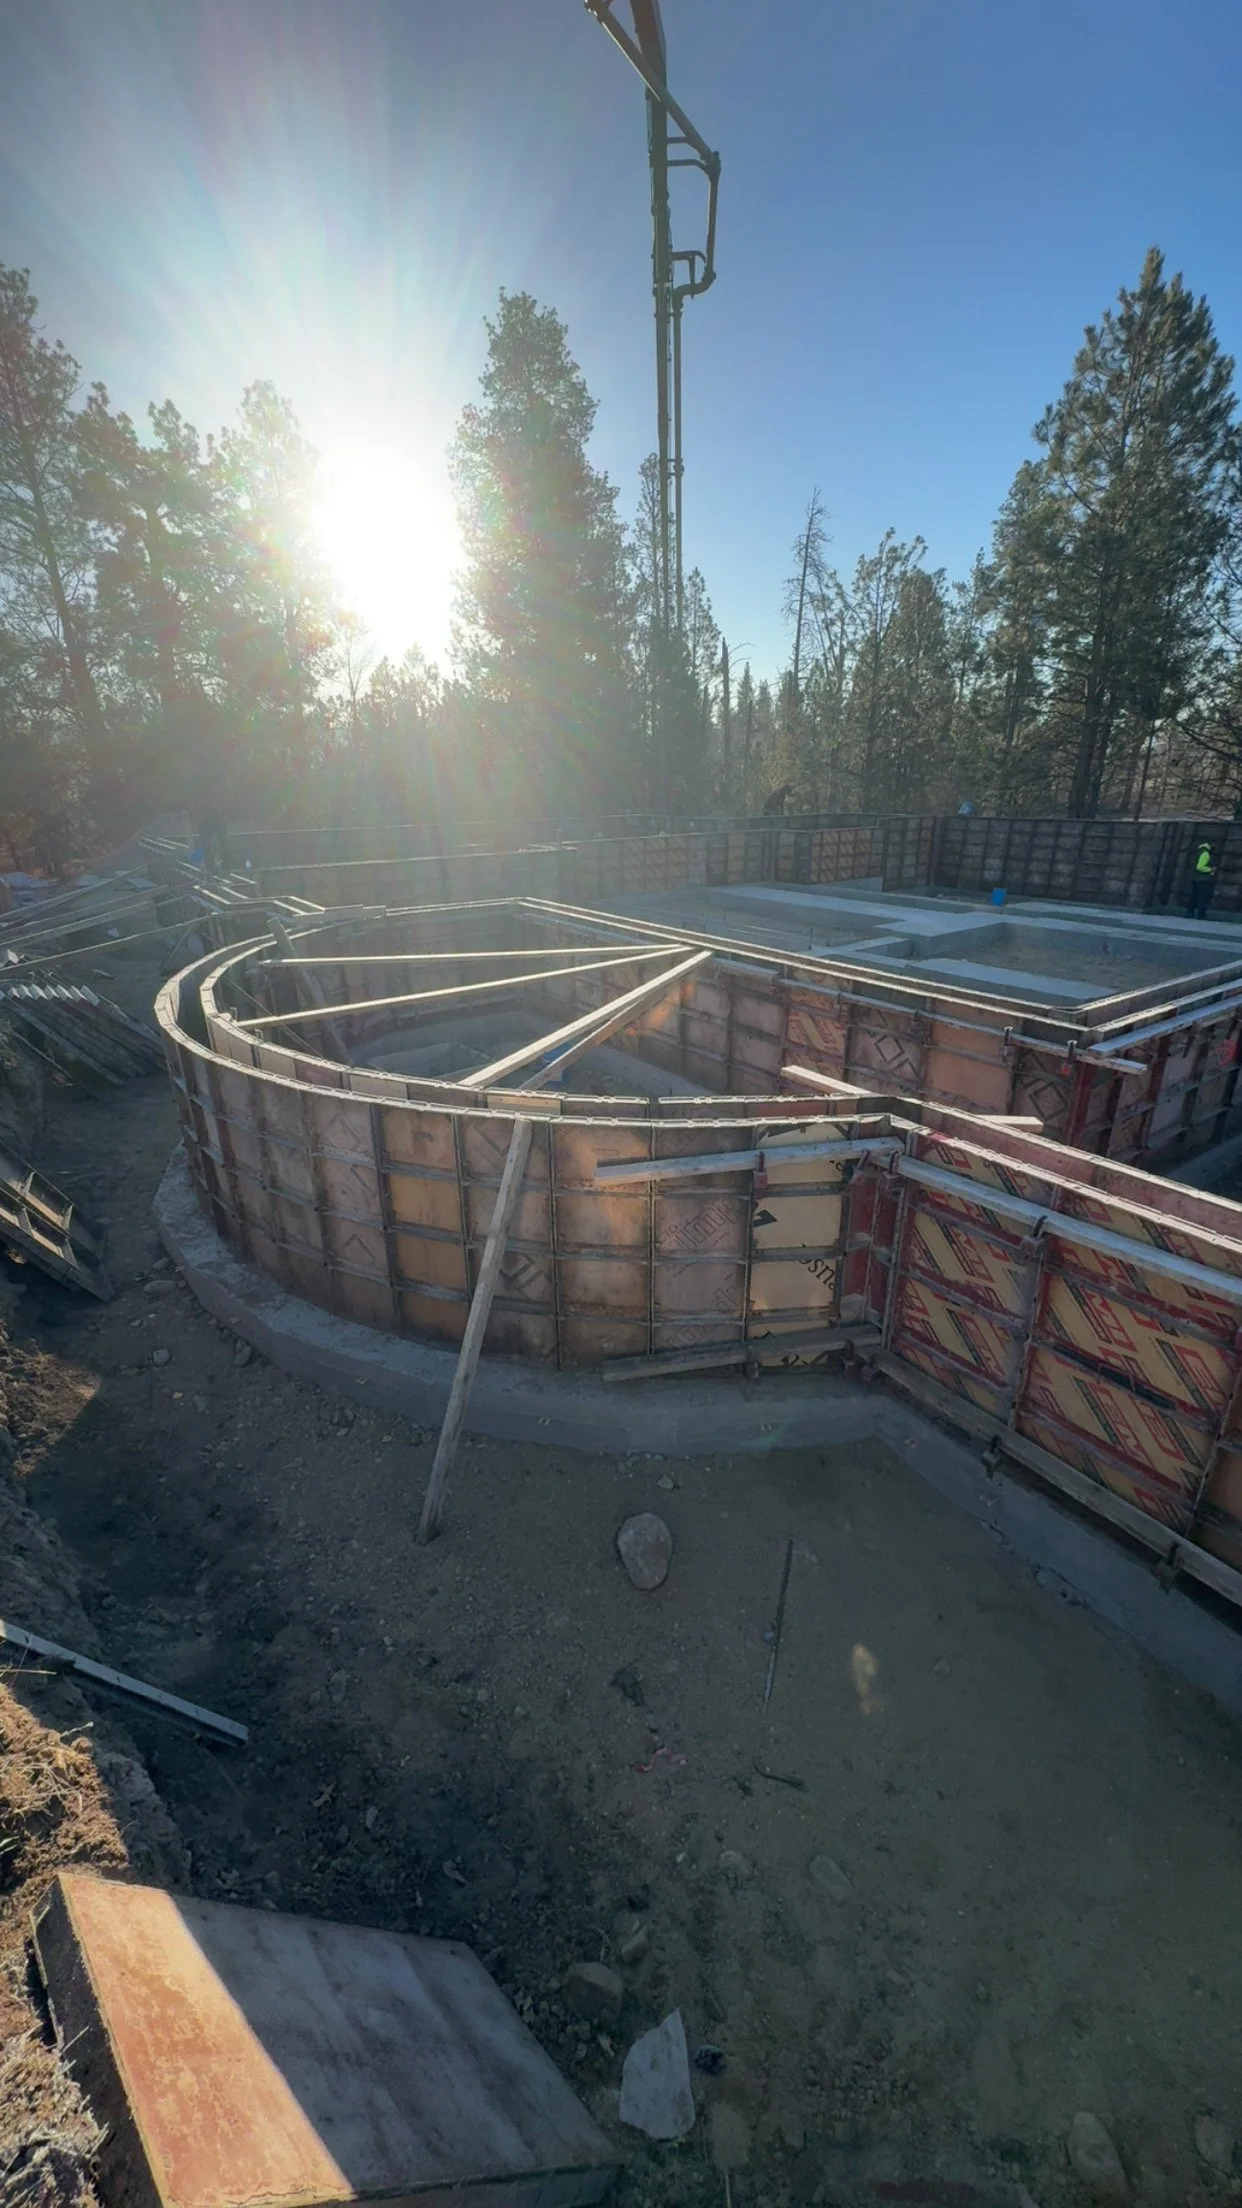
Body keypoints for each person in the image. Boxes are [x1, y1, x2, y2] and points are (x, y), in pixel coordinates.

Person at [1190, 838, 1216, 919]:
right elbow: (1200, 867)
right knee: (1203, 898)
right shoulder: (1205, 853)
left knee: (1194, 897)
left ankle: (1190, 914)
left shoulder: (1198, 851)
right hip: (1202, 879)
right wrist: (1211, 869)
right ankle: (1201, 915)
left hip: (1194, 878)